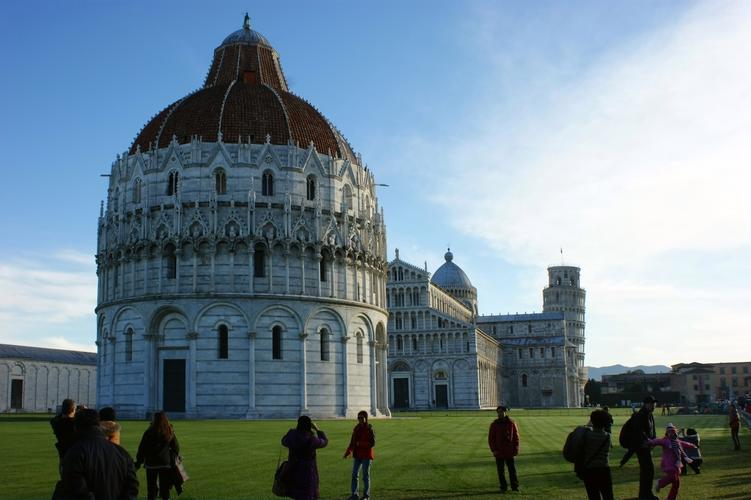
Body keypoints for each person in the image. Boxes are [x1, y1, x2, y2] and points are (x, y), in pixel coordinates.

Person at [52, 408, 138, 500]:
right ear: (98, 424)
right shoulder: (123, 453)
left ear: (76, 427)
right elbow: (132, 487)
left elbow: (76, 489)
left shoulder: (75, 453)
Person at [136, 411, 180, 500]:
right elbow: (176, 447)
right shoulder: (169, 431)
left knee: (151, 488)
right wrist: (174, 457)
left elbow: (142, 448)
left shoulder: (149, 432)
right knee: (165, 488)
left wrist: (139, 461)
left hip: (151, 463)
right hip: (165, 463)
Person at [282, 415, 329, 500]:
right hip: (307, 472)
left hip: (293, 469)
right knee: (307, 494)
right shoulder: (311, 439)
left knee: (296, 493)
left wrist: (293, 432)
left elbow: (284, 441)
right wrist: (317, 429)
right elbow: (324, 442)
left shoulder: (292, 435)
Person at [648, 423, 697, 500]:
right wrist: (649, 441)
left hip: (676, 465)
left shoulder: (677, 442)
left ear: (675, 432)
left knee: (676, 484)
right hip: (668, 464)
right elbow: (656, 441)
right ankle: (660, 483)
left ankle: (671, 498)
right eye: (669, 432)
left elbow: (684, 444)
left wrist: (693, 445)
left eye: (673, 432)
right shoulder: (665, 441)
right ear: (667, 433)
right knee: (672, 478)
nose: (671, 433)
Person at [581, 409, 614, 500]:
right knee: (608, 496)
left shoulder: (586, 435)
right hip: (604, 469)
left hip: (590, 470)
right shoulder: (607, 436)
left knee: (593, 496)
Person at [343, 410, 375, 500]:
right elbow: (352, 442)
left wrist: (360, 444)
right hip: (357, 455)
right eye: (358, 417)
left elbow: (372, 443)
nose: (360, 419)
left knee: (365, 476)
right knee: (354, 475)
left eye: (362, 418)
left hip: (366, 455)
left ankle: (366, 496)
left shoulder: (370, 429)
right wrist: (348, 452)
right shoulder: (356, 428)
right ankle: (354, 494)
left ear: (366, 418)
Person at [488, 405, 520, 493]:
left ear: (505, 412)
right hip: (499, 451)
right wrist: (494, 450)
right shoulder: (494, 424)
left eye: (501, 412)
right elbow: (491, 439)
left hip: (509, 451)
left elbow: (516, 438)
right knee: (501, 471)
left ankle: (515, 486)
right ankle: (503, 487)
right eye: (498, 412)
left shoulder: (511, 423)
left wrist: (516, 449)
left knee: (512, 470)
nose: (500, 413)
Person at [632, 396, 658, 500]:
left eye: (654, 404)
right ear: (646, 404)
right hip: (642, 447)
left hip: (648, 446)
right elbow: (639, 431)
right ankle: (645, 494)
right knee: (648, 470)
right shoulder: (640, 415)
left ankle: (645, 493)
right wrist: (648, 441)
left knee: (647, 471)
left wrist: (654, 441)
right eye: (652, 404)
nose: (653, 405)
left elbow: (652, 430)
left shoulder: (649, 415)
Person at [51, 398, 77, 468]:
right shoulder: (76, 423)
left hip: (63, 453)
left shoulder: (55, 422)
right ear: (73, 409)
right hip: (75, 453)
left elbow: (57, 418)